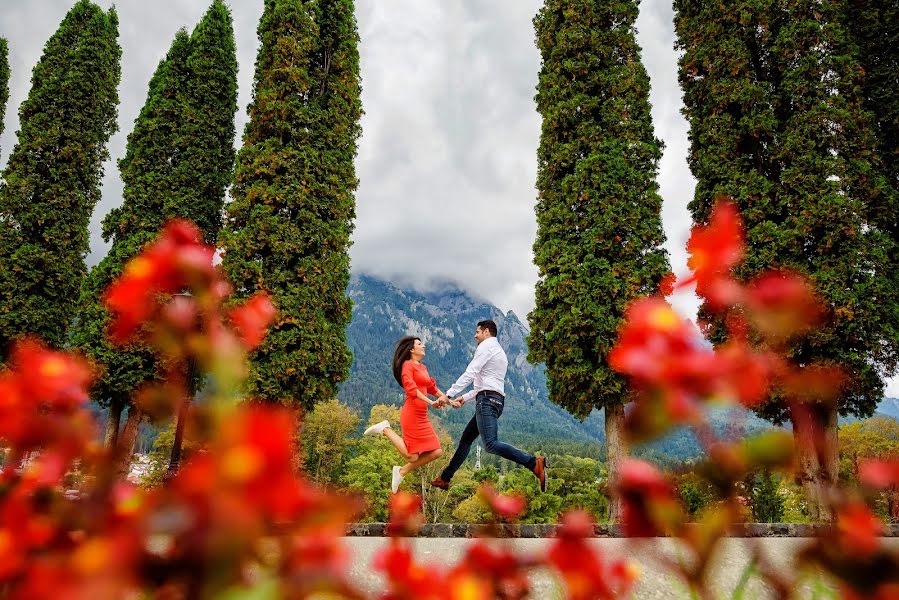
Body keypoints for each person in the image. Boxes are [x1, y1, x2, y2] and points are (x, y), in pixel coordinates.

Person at [430, 319, 547, 492]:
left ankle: (533, 463)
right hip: (494, 400)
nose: (475, 335)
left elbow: (471, 373)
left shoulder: (486, 347)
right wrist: (464, 398)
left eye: (477, 332)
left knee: (491, 444)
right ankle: (445, 478)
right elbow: (485, 383)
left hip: (486, 401)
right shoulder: (497, 350)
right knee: (466, 440)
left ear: (486, 332)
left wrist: (448, 394)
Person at [364, 336, 445, 493]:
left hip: (422, 416)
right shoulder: (407, 366)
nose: (423, 346)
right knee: (412, 457)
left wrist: (448, 400)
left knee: (437, 452)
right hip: (412, 415)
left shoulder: (422, 367)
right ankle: (385, 429)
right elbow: (411, 389)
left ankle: (400, 472)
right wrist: (431, 403)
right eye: (419, 344)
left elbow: (432, 388)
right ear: (412, 350)